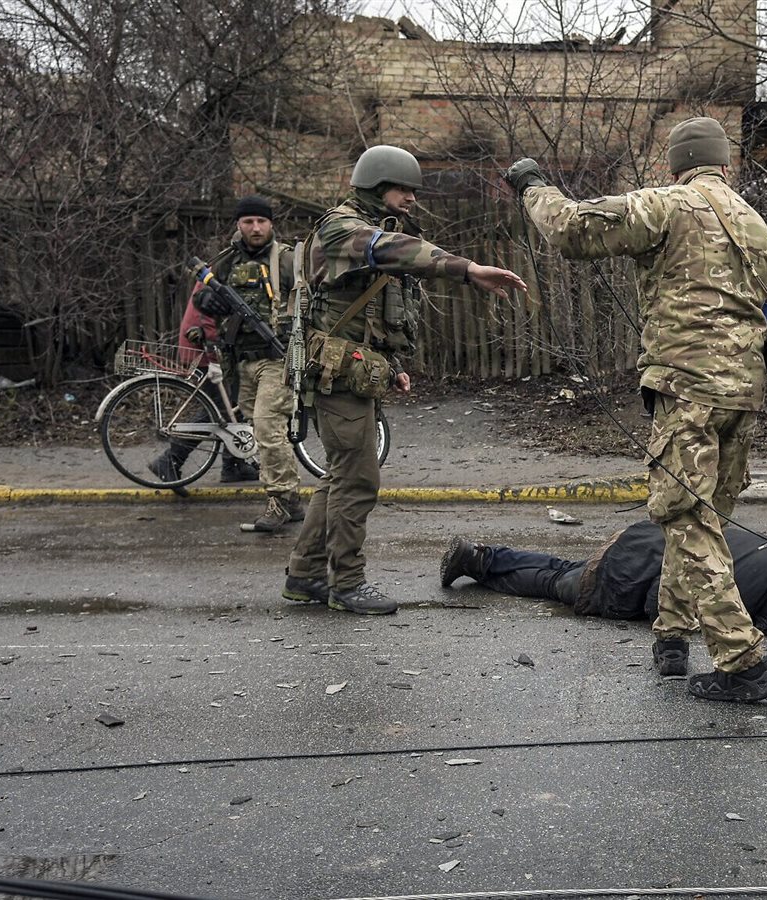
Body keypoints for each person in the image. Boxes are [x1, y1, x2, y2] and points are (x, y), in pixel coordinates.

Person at [506, 116, 767, 703]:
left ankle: (742, 660)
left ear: (676, 166)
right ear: (726, 165)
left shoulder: (670, 204)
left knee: (686, 519)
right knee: (704, 522)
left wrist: (533, 187)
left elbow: (573, 230)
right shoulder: (753, 223)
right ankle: (673, 635)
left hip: (688, 390)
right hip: (745, 392)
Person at [282, 145, 526, 616]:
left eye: (414, 191)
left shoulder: (382, 231)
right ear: (375, 186)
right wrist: (467, 269)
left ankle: (304, 575)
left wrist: (391, 366)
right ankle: (346, 584)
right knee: (358, 480)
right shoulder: (342, 228)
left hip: (356, 371)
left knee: (339, 477)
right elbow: (385, 251)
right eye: (403, 189)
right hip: (337, 374)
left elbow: (365, 316)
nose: (412, 198)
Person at [438, 521, 767, 638]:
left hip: (649, 536)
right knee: (555, 583)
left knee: (567, 566)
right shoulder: (738, 597)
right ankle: (477, 563)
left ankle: (485, 555)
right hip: (629, 572)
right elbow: (659, 597)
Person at [192, 196, 301, 530]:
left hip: (277, 358)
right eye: (248, 222)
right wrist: (209, 300)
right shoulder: (226, 261)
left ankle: (280, 501)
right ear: (238, 225)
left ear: (271, 224)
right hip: (242, 362)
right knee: (264, 431)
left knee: (268, 428)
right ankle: (293, 500)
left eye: (261, 221)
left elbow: (310, 300)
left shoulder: (285, 260)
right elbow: (201, 298)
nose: (255, 228)